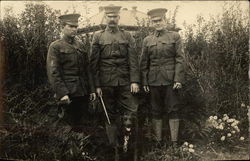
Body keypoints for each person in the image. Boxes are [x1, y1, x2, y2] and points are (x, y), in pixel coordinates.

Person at [89, 4, 140, 156]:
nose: (112, 19)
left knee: (132, 110)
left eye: (115, 17)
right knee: (108, 115)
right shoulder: (97, 36)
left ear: (119, 17)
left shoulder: (127, 36)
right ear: (105, 17)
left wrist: (135, 81)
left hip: (125, 82)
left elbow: (133, 60)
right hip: (106, 83)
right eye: (109, 16)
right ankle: (113, 147)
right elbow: (94, 63)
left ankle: (130, 147)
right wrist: (97, 85)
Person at [139, 8, 185, 147]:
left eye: (159, 20)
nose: (157, 23)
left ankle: (174, 144)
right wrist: (145, 81)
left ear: (165, 21)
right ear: (151, 23)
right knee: (155, 110)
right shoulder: (147, 40)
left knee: (173, 109)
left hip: (171, 80)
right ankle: (158, 143)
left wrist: (178, 79)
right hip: (153, 81)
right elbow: (143, 63)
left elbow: (180, 59)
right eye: (154, 21)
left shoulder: (175, 37)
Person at [46, 13, 96, 132]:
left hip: (82, 92)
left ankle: (82, 149)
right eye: (71, 26)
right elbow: (53, 72)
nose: (74, 29)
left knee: (83, 125)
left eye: (76, 26)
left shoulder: (81, 45)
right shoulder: (55, 46)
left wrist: (92, 89)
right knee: (68, 126)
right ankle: (69, 149)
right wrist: (62, 93)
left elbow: (87, 69)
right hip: (68, 93)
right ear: (62, 27)